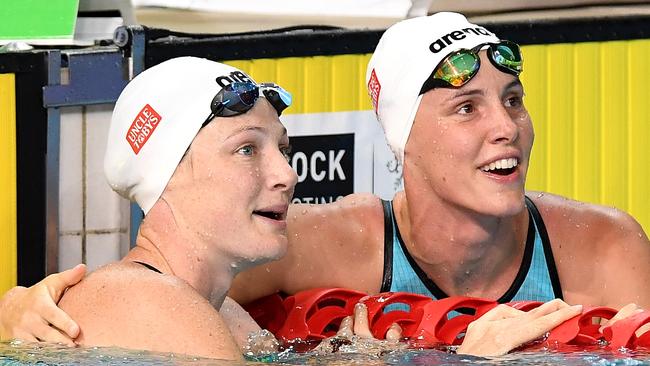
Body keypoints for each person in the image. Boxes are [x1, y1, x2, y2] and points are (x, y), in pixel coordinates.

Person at [2, 11, 648, 353]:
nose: (506, 126)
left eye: (513, 99)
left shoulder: (605, 245)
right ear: (401, 136)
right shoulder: (291, 254)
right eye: (465, 107)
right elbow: (142, 300)